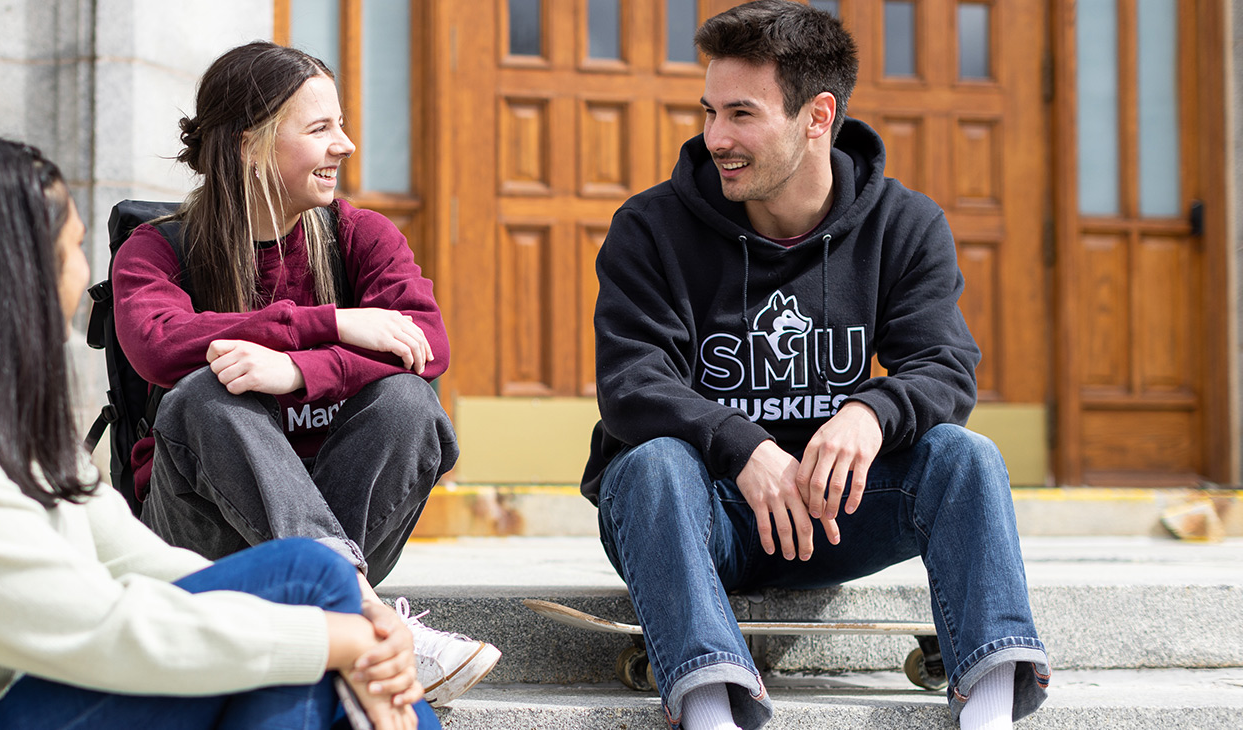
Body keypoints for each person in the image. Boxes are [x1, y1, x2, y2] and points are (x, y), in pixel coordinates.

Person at [0, 131, 439, 730]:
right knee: (313, 633)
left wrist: (356, 616)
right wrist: (341, 639)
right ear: (18, 266)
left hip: (25, 682)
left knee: (309, 584)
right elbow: (99, 631)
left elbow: (133, 557)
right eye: (71, 248)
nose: (81, 273)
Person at [582, 3, 1050, 729]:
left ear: (817, 115)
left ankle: (987, 707)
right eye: (709, 111)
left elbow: (945, 366)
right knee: (649, 464)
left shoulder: (904, 223)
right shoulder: (651, 228)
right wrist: (744, 449)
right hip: (702, 516)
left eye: (742, 114)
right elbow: (631, 385)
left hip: (841, 514)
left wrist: (869, 413)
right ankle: (711, 709)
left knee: (964, 456)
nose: (716, 138)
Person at [111, 41, 500, 706]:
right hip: (202, 534)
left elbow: (425, 343)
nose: (345, 145)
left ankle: (341, 604)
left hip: (343, 507)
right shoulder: (160, 247)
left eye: (341, 125)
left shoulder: (361, 236)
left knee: (408, 399)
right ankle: (364, 612)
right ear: (248, 144)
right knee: (205, 393)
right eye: (320, 129)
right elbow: (157, 346)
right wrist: (328, 324)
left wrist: (294, 371)